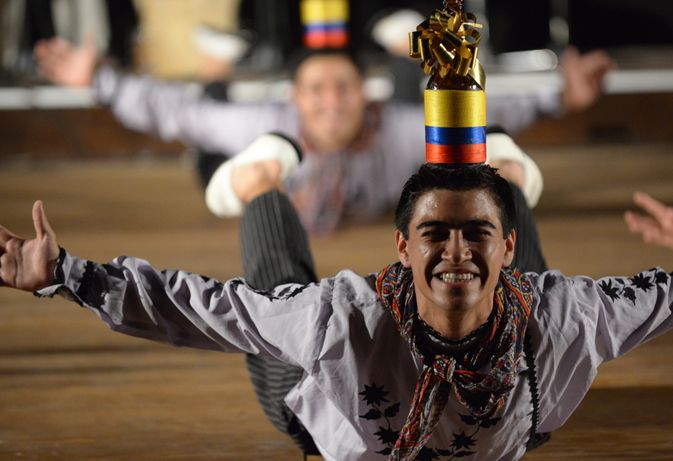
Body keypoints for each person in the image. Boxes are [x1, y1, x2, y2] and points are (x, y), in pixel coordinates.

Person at [2, 133, 672, 461]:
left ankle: (507, 174)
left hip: (509, 374)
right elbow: (202, 306)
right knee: (271, 291)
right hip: (320, 407)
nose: (457, 252)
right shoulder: (339, 317)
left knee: (532, 288)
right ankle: (260, 178)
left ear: (504, 245)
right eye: (434, 233)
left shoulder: (560, 311)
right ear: (402, 247)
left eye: (477, 234)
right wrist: (67, 272)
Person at [32, 37, 612, 233]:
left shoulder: (399, 130)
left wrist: (561, 96)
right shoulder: (264, 128)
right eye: (316, 91)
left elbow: (481, 114)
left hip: (371, 206)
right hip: (253, 168)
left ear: (365, 94)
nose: (330, 102)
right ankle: (220, 71)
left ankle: (397, 54)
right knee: (206, 143)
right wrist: (100, 81)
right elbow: (171, 113)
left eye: (342, 88)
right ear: (295, 99)